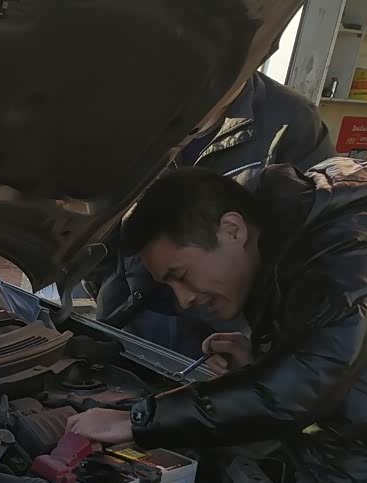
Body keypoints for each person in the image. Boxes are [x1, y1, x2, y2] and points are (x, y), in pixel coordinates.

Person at [68, 162, 367, 483]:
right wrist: (264, 363)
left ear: (232, 230)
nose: (183, 301)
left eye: (181, 275)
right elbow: (329, 358)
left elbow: (302, 388)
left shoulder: (348, 257)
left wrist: (139, 419)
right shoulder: (289, 234)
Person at [91, 72, 332, 356]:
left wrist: (262, 345)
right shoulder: (134, 111)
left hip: (228, 331)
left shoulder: (291, 119)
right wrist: (107, 281)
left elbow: (309, 238)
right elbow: (95, 214)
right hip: (131, 314)